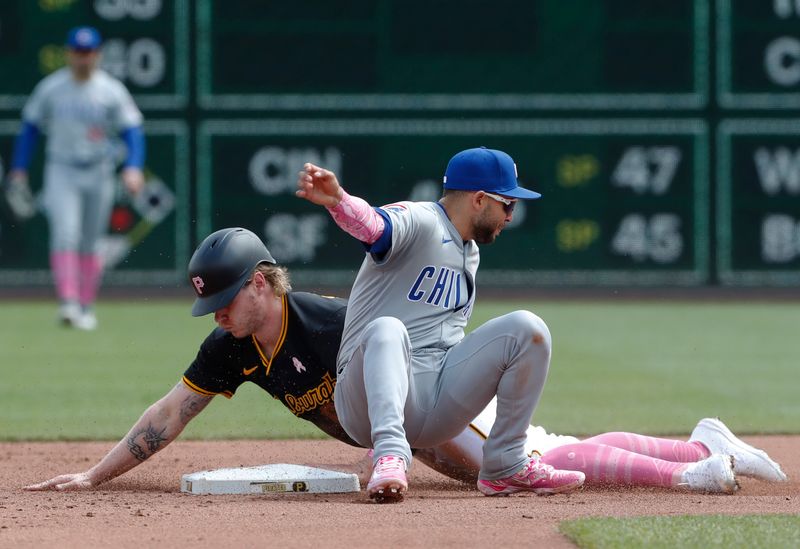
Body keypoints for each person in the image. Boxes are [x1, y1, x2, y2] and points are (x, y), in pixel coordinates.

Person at [24, 228, 786, 494]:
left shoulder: (325, 321)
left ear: (262, 282)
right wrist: (95, 473)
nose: (216, 312)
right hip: (413, 425)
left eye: (224, 297)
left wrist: (416, 441)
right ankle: (702, 442)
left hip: (435, 388)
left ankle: (695, 463)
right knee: (541, 452)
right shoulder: (232, 347)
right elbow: (170, 412)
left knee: (518, 463)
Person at [296, 146, 590, 502]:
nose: (511, 215)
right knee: (387, 328)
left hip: (433, 406)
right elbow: (374, 227)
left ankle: (505, 466)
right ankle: (389, 455)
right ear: (480, 199)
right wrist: (339, 201)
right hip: (364, 403)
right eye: (507, 204)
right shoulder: (421, 219)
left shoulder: (470, 251)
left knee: (528, 329)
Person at [8, 25, 146, 331]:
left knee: (90, 241)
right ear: (69, 53)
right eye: (78, 52)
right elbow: (30, 128)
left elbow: (133, 130)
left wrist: (134, 166)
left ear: (96, 54)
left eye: (88, 52)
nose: (83, 58)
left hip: (99, 170)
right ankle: (69, 302)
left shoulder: (110, 89)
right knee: (65, 233)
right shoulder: (51, 88)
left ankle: (86, 304)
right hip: (62, 169)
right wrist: (19, 168)